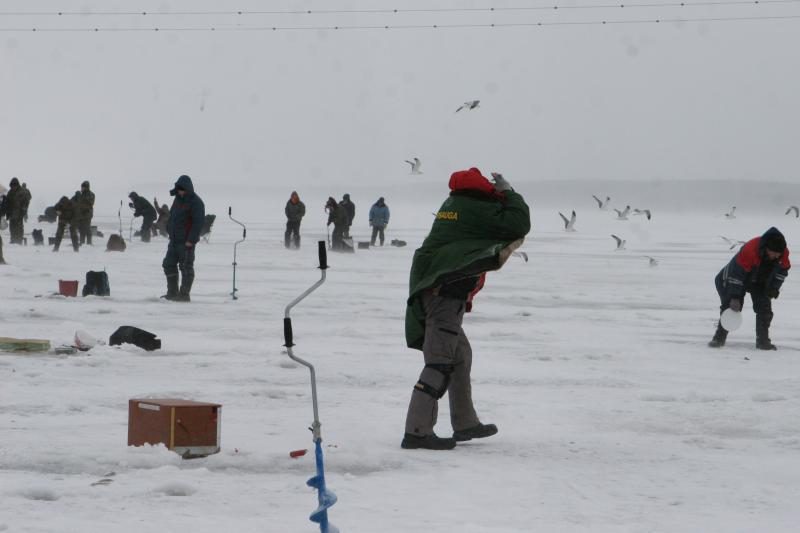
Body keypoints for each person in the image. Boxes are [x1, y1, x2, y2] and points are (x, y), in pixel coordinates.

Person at [402, 168, 531, 450]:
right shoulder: (474, 208)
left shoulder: (455, 205)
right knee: (439, 362)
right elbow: (519, 223)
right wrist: (509, 192)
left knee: (460, 354)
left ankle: (465, 422)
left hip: (436, 291)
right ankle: (417, 431)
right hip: (443, 295)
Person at [709, 227, 790, 350]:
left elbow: (781, 273)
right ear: (766, 248)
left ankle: (763, 342)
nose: (775, 256)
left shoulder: (783, 253)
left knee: (765, 308)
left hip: (759, 281)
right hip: (735, 278)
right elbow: (736, 276)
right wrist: (735, 297)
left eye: (778, 254)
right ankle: (718, 338)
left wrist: (774, 288)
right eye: (773, 253)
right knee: (731, 307)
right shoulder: (750, 249)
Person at [162, 175, 205, 302]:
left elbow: (198, 223)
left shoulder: (196, 202)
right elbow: (172, 217)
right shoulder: (177, 200)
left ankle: (184, 295)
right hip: (174, 240)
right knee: (168, 264)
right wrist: (170, 230)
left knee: (186, 267)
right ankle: (172, 292)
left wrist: (191, 240)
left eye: (181, 189)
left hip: (186, 242)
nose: (179, 191)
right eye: (178, 189)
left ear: (187, 188)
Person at [5, 178, 28, 244]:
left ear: (17, 185)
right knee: (12, 227)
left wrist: (24, 210)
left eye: (14, 185)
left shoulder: (22, 192)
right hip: (11, 213)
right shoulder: (10, 192)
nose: (13, 187)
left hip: (19, 212)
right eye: (12, 185)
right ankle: (13, 239)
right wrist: (7, 211)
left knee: (19, 227)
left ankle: (19, 240)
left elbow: (26, 201)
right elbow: (7, 201)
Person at [74, 180, 95, 245]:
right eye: (81, 187)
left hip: (87, 214)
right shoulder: (81, 194)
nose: (82, 188)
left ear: (86, 187)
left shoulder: (91, 194)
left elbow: (89, 203)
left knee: (87, 228)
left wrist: (80, 197)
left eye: (83, 187)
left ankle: (89, 243)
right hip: (80, 214)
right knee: (81, 229)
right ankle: (82, 242)